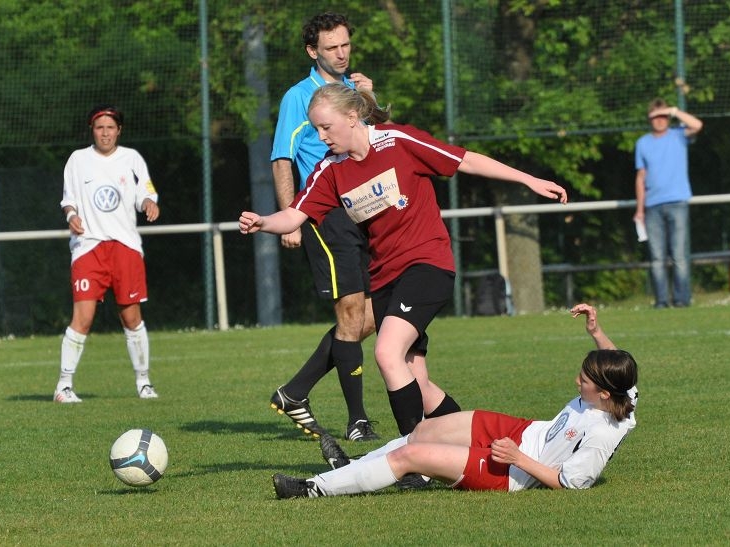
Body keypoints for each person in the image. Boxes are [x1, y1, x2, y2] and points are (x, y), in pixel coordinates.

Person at [241, 83, 568, 440]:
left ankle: (415, 461)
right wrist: (264, 223)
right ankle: (473, 445)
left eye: (326, 127)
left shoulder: (397, 141)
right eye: (316, 129)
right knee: (420, 383)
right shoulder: (330, 170)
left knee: (386, 352)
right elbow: (293, 217)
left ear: (352, 117)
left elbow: (465, 159)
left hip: (427, 264)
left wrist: (529, 179)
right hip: (384, 278)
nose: (320, 137)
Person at [271, 303, 638, 498]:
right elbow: (615, 361)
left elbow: (572, 484)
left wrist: (518, 458)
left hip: (514, 471)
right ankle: (350, 467)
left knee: (410, 456)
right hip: (521, 431)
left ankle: (313, 488)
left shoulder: (603, 434)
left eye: (585, 381)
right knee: (423, 430)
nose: (577, 381)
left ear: (605, 393)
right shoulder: (622, 392)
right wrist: (597, 331)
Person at [269, 12, 379, 441]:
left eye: (346, 45)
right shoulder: (299, 97)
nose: (341, 53)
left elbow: (378, 145)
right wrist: (289, 219)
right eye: (332, 47)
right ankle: (357, 421)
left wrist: (370, 100)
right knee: (352, 312)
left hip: (366, 210)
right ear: (312, 51)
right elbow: (282, 157)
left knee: (378, 312)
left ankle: (295, 391)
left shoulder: (354, 90)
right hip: (323, 212)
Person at [53, 104, 160, 403]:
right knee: (83, 317)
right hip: (88, 248)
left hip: (125, 247)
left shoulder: (132, 159)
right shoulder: (78, 160)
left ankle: (144, 382)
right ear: (93, 130)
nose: (105, 133)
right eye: (100, 127)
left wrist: (149, 203)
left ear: (119, 131)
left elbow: (146, 193)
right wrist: (70, 215)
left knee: (131, 317)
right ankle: (63, 386)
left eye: (110, 127)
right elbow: (68, 200)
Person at [634, 98, 703, 308]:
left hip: (678, 202)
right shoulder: (642, 143)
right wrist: (639, 210)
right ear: (649, 119)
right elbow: (640, 177)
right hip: (652, 205)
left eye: (663, 116)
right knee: (657, 258)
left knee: (679, 255)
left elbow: (697, 125)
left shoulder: (678, 135)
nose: (660, 120)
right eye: (655, 116)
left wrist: (674, 110)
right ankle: (661, 301)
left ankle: (682, 300)